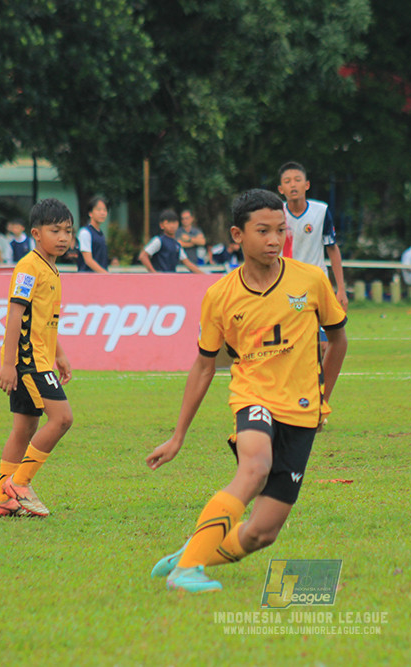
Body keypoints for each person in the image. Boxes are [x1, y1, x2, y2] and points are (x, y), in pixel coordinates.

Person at [146, 189, 347, 593]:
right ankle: (186, 572)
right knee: (253, 469)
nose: (274, 240)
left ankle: (192, 553)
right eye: (263, 231)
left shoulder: (310, 280)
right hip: (253, 397)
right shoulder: (219, 296)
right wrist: (178, 434)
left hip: (302, 410)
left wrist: (323, 397)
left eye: (280, 231)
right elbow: (204, 367)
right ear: (238, 235)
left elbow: (338, 341)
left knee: (262, 533)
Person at [0, 198, 75, 517]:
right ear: (36, 233)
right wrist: (8, 364)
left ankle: (2, 498)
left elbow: (44, 321)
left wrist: (60, 354)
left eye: (68, 231)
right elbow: (15, 314)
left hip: (41, 358)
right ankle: (20, 483)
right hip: (29, 363)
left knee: (24, 429)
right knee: (63, 418)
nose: (64, 237)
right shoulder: (28, 266)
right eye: (56, 231)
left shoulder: (51, 268)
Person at [277, 162, 348, 310]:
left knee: (322, 328)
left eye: (297, 180)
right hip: (286, 280)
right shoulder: (277, 214)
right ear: (281, 189)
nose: (293, 185)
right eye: (287, 181)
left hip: (316, 280)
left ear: (307, 185)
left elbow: (332, 249)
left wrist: (341, 289)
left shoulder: (321, 211)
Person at [138, 209, 205, 274]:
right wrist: (154, 273)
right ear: (161, 225)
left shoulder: (177, 245)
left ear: (178, 224)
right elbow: (143, 256)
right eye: (168, 223)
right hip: (159, 280)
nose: (172, 226)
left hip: (171, 280)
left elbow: (187, 263)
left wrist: (204, 275)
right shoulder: (159, 240)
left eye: (174, 223)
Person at [76, 196, 110, 273]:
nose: (102, 213)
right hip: (87, 279)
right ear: (90, 213)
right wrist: (106, 275)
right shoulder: (85, 233)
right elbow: (88, 260)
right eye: (98, 210)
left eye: (105, 210)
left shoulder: (100, 234)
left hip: (100, 279)